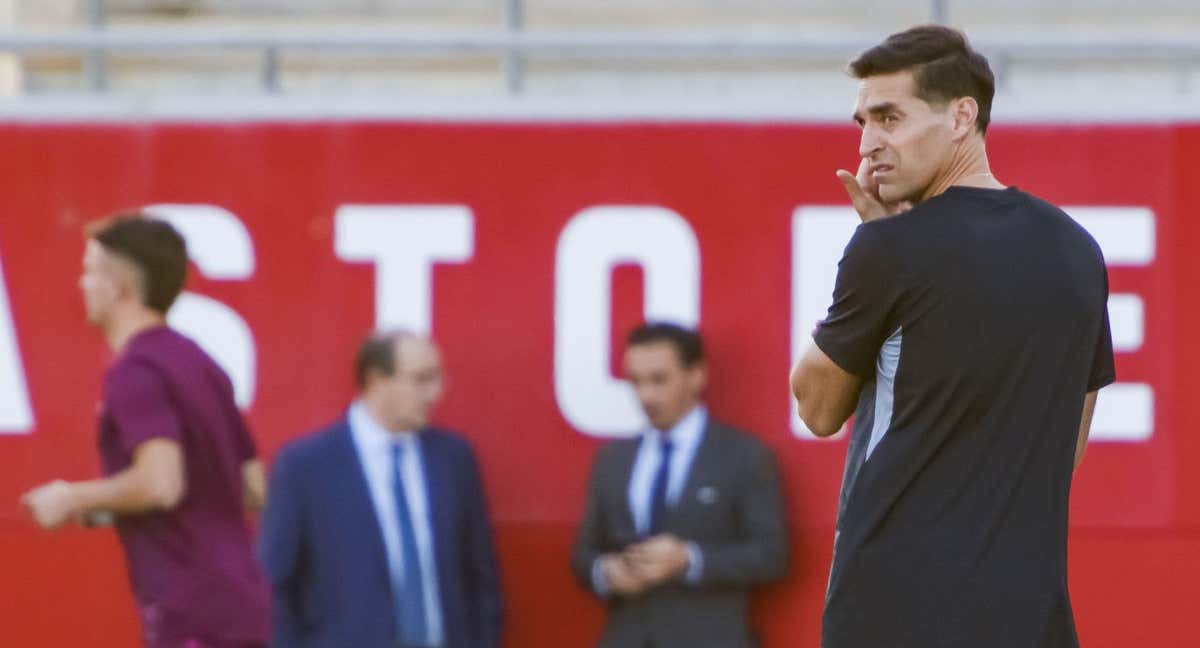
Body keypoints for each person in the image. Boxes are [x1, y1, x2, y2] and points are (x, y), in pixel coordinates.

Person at [789, 25, 1115, 648]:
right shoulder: (1078, 249)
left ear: (962, 115)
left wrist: (875, 247)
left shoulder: (887, 248)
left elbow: (816, 406)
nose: (867, 145)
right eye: (862, 121)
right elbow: (1062, 448)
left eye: (889, 117)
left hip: (895, 613)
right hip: (1033, 616)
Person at [20, 213, 271, 648]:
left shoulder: (134, 372)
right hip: (243, 604)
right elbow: (251, 487)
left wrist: (71, 497)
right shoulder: (200, 362)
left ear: (117, 287)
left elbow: (161, 485)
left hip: (188, 609)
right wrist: (110, 505)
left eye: (88, 271)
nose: (81, 284)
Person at [260, 330, 503, 648]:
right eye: (421, 379)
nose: (435, 393)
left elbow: (481, 575)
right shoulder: (306, 466)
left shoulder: (454, 460)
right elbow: (274, 582)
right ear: (376, 380)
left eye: (438, 378)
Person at [571, 322, 788, 648]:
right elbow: (584, 553)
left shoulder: (743, 456)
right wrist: (607, 571)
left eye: (659, 379)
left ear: (696, 375)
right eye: (636, 381)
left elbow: (771, 555)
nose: (646, 395)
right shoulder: (613, 459)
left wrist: (688, 559)